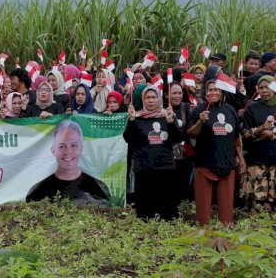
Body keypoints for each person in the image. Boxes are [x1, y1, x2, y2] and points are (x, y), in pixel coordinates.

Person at [187, 80, 246, 226]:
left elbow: (236, 137)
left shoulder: (231, 110)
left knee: (226, 212)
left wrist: (241, 158)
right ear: (205, 93)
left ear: (222, 92)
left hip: (226, 163)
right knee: (203, 211)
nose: (213, 93)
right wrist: (200, 122)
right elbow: (190, 134)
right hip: (204, 163)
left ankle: (226, 234)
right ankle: (202, 234)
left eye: (217, 90)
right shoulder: (199, 110)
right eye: (210, 90)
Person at [123, 85, 183, 219]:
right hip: (144, 167)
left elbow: (178, 138)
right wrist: (131, 121)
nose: (151, 100)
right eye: (148, 97)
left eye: (154, 97)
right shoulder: (136, 117)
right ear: (143, 99)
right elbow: (128, 139)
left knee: (167, 208)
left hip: (165, 166)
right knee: (145, 210)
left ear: (159, 98)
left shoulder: (167, 115)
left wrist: (171, 122)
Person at [26, 120, 110, 203]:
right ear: (53, 150)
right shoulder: (37, 192)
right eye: (61, 146)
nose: (68, 152)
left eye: (74, 145)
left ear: (81, 148)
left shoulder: (99, 189)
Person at [240, 76, 276, 213]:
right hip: (257, 160)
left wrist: (271, 135)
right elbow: (244, 134)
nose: (264, 90)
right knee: (258, 202)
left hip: (274, 161)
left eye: (267, 87)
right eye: (261, 88)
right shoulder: (252, 108)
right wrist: (261, 129)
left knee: (272, 201)